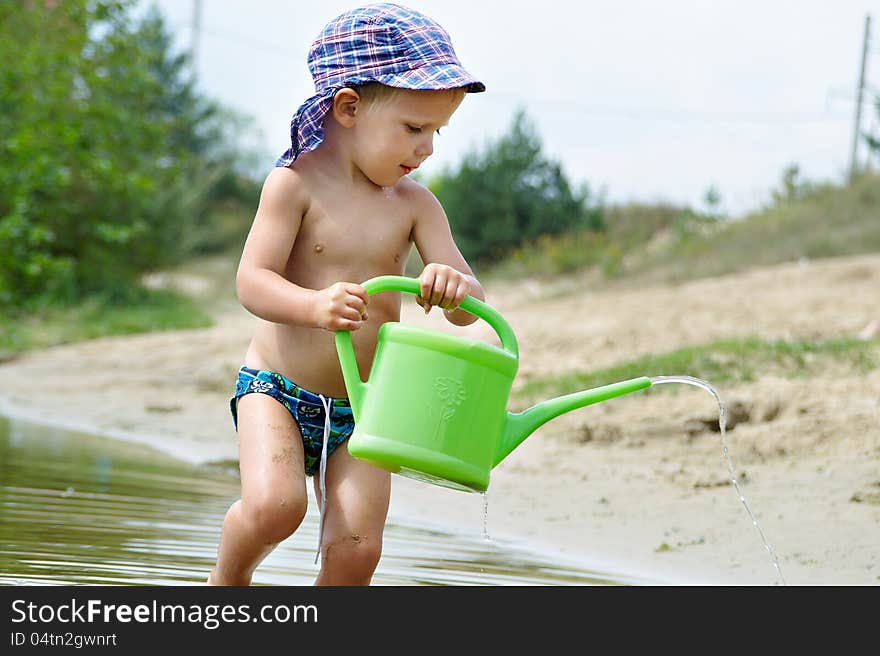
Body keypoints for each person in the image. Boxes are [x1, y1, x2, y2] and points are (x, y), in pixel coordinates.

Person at [208, 3, 486, 586]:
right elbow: (251, 281)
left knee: (358, 546)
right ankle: (224, 588)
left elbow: (467, 308)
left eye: (437, 131)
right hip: (277, 389)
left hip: (368, 404)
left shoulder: (415, 204)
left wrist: (454, 288)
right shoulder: (294, 184)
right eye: (414, 128)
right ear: (348, 108)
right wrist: (312, 306)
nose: (428, 147)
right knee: (273, 511)